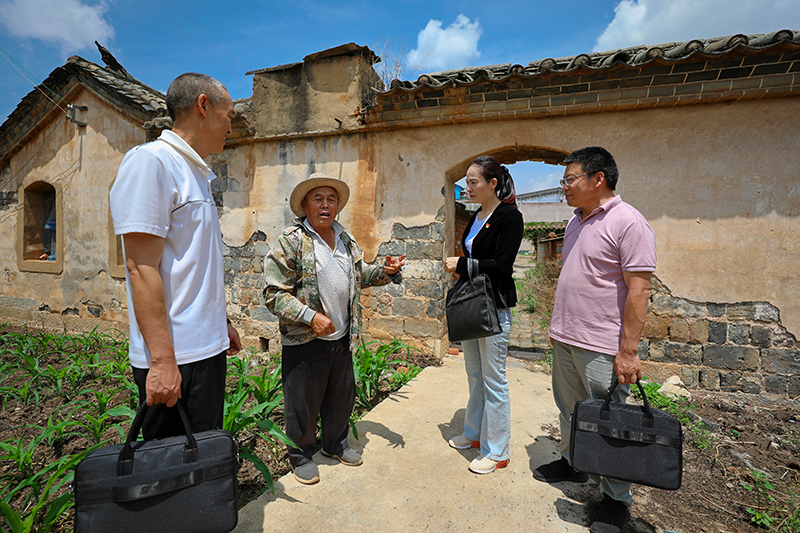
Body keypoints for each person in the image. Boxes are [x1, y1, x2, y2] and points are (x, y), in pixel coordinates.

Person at [110, 72, 242, 440]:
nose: (232, 125)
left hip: (204, 349)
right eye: (229, 115)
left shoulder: (195, 172)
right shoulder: (151, 163)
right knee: (168, 467)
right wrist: (162, 362)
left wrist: (221, 322)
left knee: (200, 456)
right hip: (177, 357)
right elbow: (141, 268)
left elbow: (194, 262)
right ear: (203, 105)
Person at [533, 147, 656, 533]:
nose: (564, 188)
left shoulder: (629, 222)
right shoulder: (575, 222)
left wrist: (628, 351)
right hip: (567, 337)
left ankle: (616, 500)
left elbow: (639, 290)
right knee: (569, 410)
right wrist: (557, 331)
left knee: (610, 420)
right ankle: (574, 464)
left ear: (597, 179)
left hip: (603, 346)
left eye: (570, 180)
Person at [262, 173, 406, 485]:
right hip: (305, 339)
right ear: (304, 206)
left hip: (342, 336)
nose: (326, 205)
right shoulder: (292, 241)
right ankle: (300, 455)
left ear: (338, 207)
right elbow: (272, 294)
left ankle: (335, 443)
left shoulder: (345, 239)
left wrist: (386, 270)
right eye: (318, 199)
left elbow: (361, 274)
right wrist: (309, 316)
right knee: (303, 402)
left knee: (341, 396)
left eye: (332, 199)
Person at [443, 155, 524, 474]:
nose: (468, 187)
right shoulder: (477, 215)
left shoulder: (509, 217)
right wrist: (463, 269)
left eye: (473, 182)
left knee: (494, 380)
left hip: (495, 306)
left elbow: (503, 266)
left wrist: (461, 265)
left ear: (493, 183)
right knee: (474, 375)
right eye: (466, 182)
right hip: (474, 305)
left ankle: (497, 450)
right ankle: (474, 434)